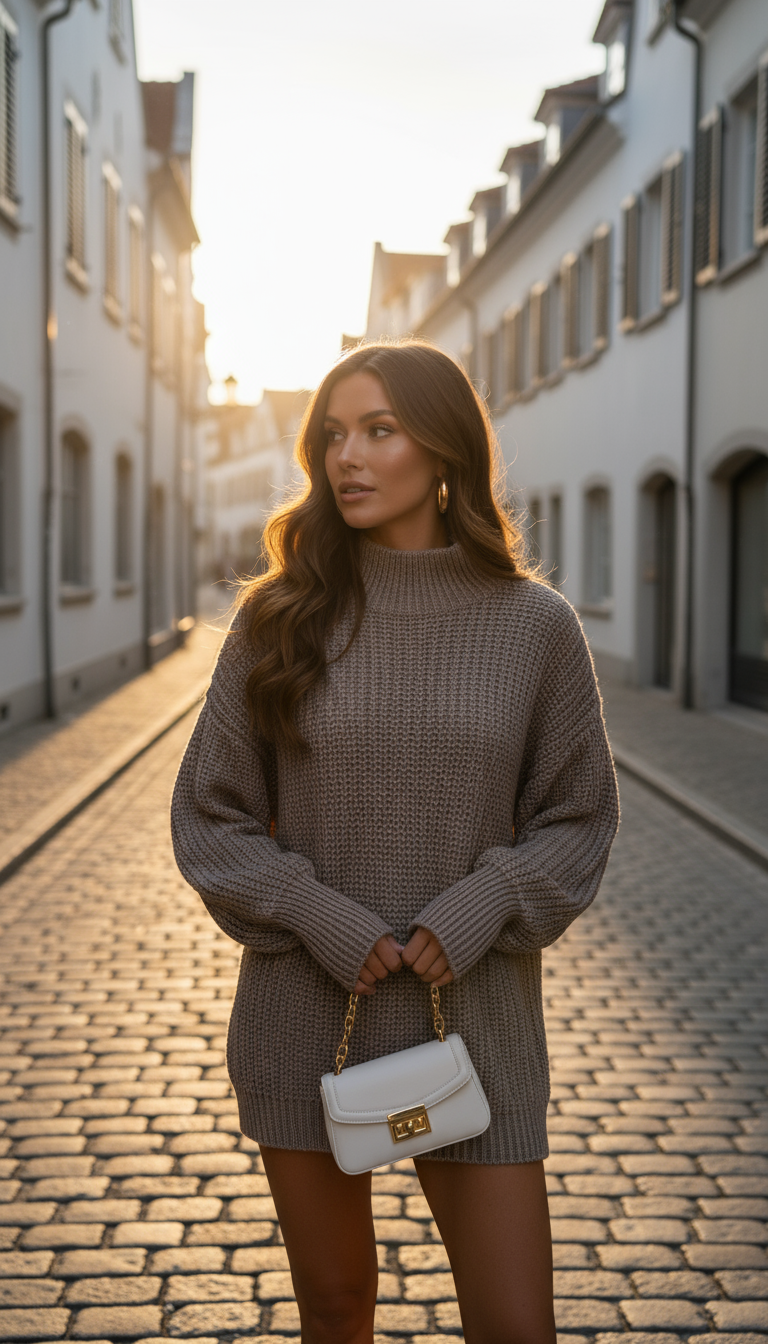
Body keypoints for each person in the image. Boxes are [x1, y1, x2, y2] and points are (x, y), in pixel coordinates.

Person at [171, 338, 619, 1344]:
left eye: (380, 430)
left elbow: (579, 816)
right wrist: (317, 913)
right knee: (337, 1311)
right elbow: (211, 814)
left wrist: (482, 902)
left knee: (514, 1326)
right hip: (305, 1023)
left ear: (445, 450)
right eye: (334, 435)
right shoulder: (278, 620)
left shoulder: (534, 625)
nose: (348, 458)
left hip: (478, 1021)